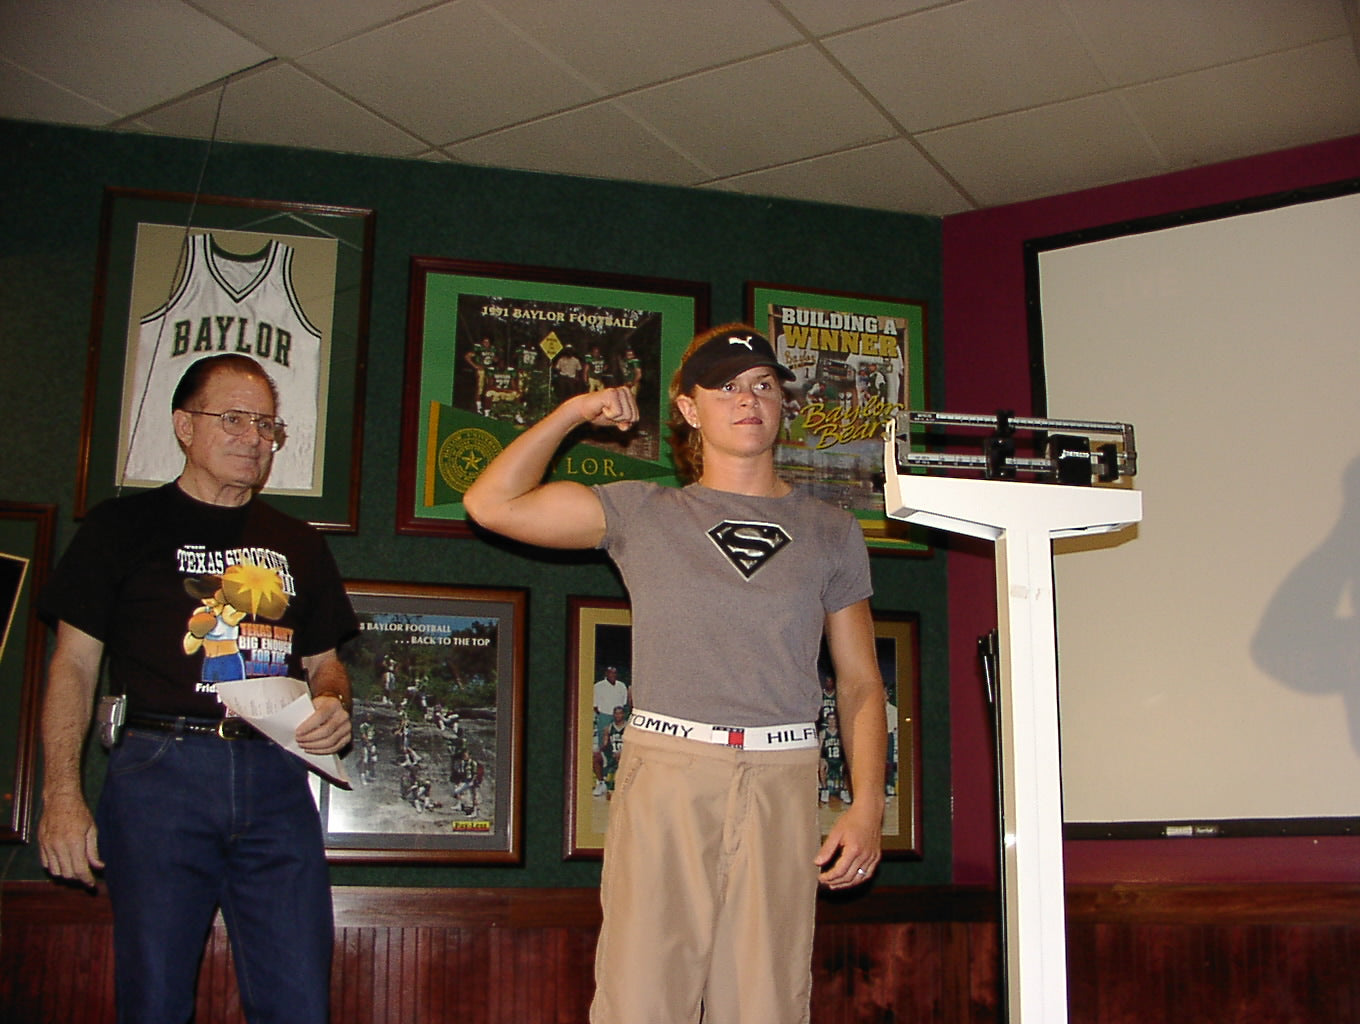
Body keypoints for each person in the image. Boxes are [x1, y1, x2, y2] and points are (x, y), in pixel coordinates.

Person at [464, 323, 886, 1024]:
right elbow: (491, 504)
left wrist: (866, 805)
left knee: (766, 1003)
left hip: (784, 777)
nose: (747, 399)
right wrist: (574, 412)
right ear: (689, 410)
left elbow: (861, 682)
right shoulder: (644, 510)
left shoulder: (832, 530)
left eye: (762, 385)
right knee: (643, 1001)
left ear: (782, 404)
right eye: (724, 387)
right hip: (669, 769)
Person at [35, 353, 357, 1024]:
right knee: (153, 998)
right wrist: (62, 795)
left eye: (267, 424)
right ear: (184, 426)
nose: (254, 438)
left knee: (300, 1001)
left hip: (277, 776)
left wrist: (332, 703)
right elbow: (72, 665)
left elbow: (325, 662)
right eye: (234, 418)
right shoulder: (118, 528)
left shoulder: (299, 543)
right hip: (160, 773)